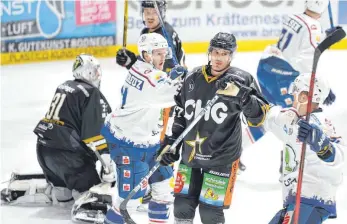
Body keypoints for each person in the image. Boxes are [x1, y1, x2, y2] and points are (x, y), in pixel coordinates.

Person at [157, 32, 269, 224]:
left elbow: (260, 117)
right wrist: (172, 143)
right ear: (209, 53)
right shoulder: (192, 77)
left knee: (210, 213)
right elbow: (181, 112)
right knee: (182, 207)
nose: (218, 58)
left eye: (224, 53)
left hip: (221, 158)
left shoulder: (241, 79)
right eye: (215, 52)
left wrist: (242, 96)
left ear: (231, 56)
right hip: (191, 155)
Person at [1, 54, 113, 208]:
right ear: (86, 73)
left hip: (44, 151)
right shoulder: (91, 93)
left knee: (63, 196)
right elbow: (94, 135)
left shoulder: (64, 86)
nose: (98, 76)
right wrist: (107, 163)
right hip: (69, 157)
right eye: (95, 72)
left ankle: (56, 193)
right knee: (93, 194)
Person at [101, 33, 183, 224]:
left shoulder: (140, 68)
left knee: (163, 191)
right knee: (127, 204)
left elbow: (159, 84)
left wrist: (172, 77)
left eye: (165, 53)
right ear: (146, 55)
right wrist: (186, 80)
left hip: (150, 142)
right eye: (158, 54)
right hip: (128, 144)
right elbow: (172, 94)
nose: (163, 58)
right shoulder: (151, 80)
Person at [257, 0, 331, 176]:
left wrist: (324, 37)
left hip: (266, 66)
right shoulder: (314, 27)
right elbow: (306, 61)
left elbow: (296, 44)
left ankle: (235, 149)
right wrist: (315, 84)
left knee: (263, 115)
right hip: (282, 76)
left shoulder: (294, 17)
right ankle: (290, 162)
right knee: (294, 117)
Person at [264, 73, 344, 223]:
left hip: (312, 200)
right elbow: (272, 119)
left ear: (304, 97)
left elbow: (338, 158)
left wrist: (323, 146)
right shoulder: (296, 118)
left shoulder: (321, 125)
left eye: (296, 94)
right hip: (297, 201)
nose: (293, 98)